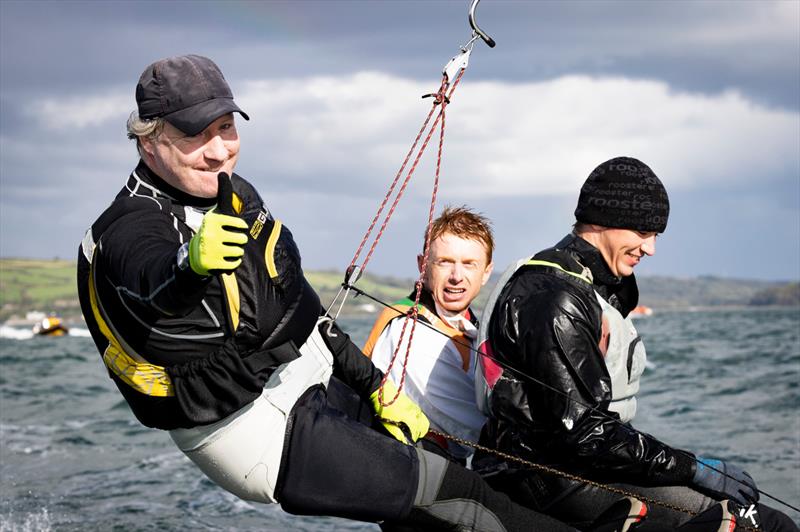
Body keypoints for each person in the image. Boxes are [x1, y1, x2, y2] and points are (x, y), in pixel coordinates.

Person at [76, 54, 588, 532]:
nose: (218, 151)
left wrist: (377, 386)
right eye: (195, 135)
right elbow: (151, 289)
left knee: (449, 475)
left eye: (226, 128)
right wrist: (189, 265)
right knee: (457, 494)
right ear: (149, 140)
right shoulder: (127, 230)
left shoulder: (237, 195)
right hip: (257, 432)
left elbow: (304, 311)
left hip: (307, 379)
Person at [473, 157, 799, 531]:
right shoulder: (555, 295)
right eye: (644, 232)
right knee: (765, 526)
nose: (651, 248)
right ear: (602, 219)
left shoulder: (596, 284)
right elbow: (584, 433)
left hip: (582, 465)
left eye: (656, 234)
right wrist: (692, 468)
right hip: (545, 477)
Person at [363, 206, 494, 463]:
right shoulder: (408, 331)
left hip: (436, 470)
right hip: (395, 473)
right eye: (444, 262)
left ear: (486, 272)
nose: (457, 276)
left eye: (469, 264)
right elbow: (476, 429)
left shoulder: (469, 328)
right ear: (423, 265)